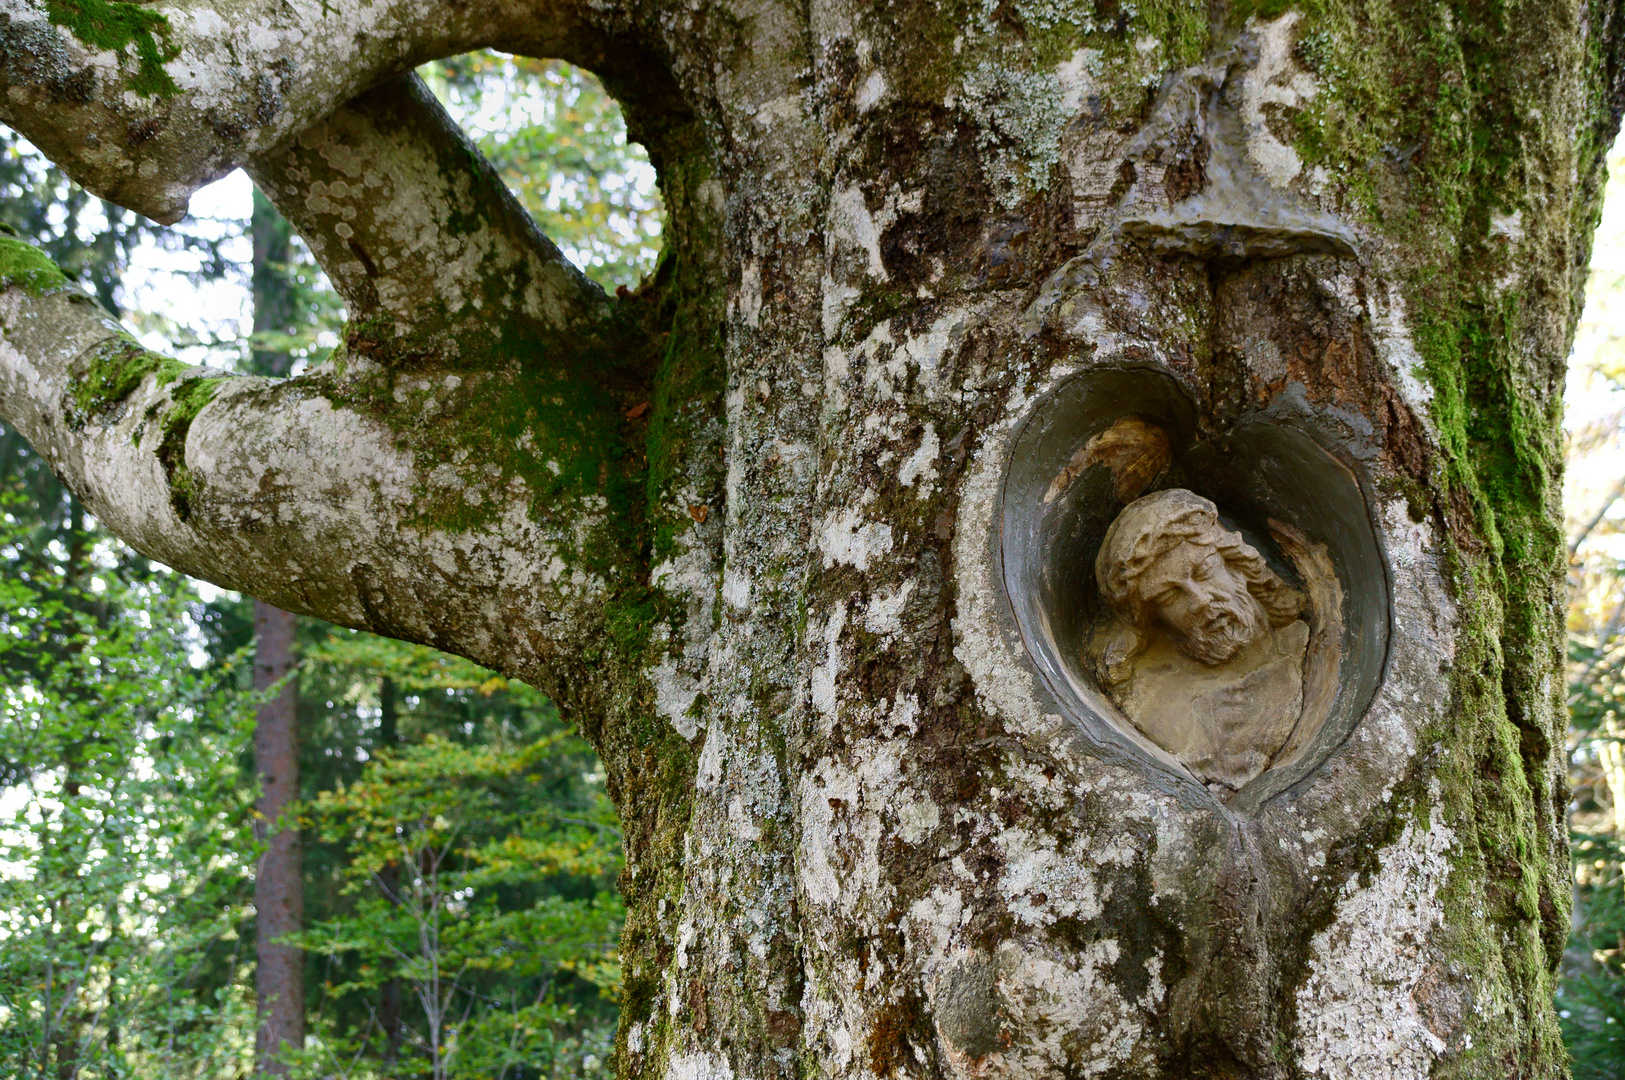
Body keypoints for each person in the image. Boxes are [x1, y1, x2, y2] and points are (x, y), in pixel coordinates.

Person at [1092, 488, 1309, 790]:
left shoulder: (1305, 648)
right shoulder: (1159, 711)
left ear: (1235, 564)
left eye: (1204, 570)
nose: (1201, 601)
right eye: (1169, 596)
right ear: (1155, 620)